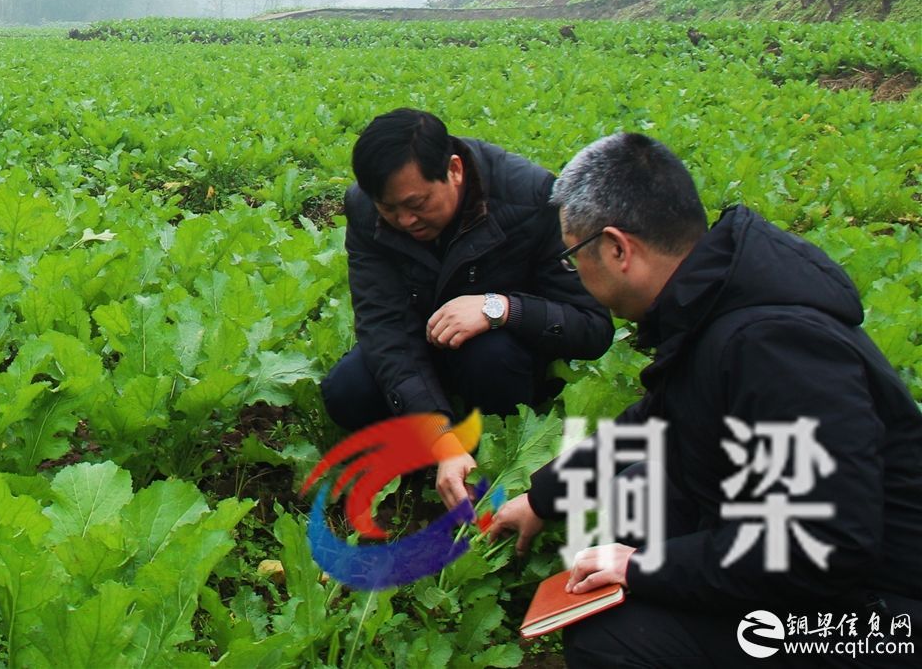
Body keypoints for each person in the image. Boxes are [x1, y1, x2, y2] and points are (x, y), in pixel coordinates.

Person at [488, 132, 922, 667]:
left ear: (618, 248)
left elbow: (823, 544)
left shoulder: (771, 347)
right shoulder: (712, 299)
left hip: (876, 622)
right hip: (832, 577)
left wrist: (643, 568)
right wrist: (544, 497)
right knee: (640, 493)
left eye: (574, 256)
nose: (573, 273)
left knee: (612, 639)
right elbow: (654, 424)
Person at [319, 109, 613, 506]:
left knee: (490, 356)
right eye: (389, 209)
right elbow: (385, 328)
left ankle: (493, 458)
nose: (405, 220)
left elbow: (592, 326)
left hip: (503, 355)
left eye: (416, 203)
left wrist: (502, 309)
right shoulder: (365, 209)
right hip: (427, 347)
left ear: (454, 170)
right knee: (347, 390)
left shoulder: (532, 197)